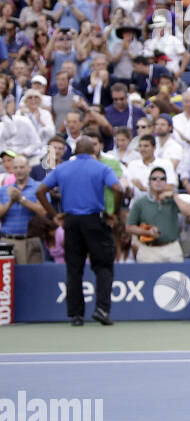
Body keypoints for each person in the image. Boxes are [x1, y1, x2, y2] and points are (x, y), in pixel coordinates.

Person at [36, 137, 127, 326]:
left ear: (75, 152)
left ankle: (76, 315)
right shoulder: (100, 167)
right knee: (103, 267)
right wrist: (114, 213)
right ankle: (102, 309)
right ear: (93, 151)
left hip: (71, 222)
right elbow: (118, 188)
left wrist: (55, 215)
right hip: (95, 220)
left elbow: (40, 191)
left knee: (74, 269)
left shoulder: (62, 168)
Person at [125, 165, 190, 263]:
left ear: (166, 183)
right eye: (154, 179)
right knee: (148, 278)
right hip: (148, 249)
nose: (158, 181)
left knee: (175, 278)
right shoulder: (140, 202)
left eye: (162, 179)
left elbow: (189, 212)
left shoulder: (173, 200)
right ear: (149, 182)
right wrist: (147, 232)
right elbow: (129, 227)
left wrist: (174, 196)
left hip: (171, 248)